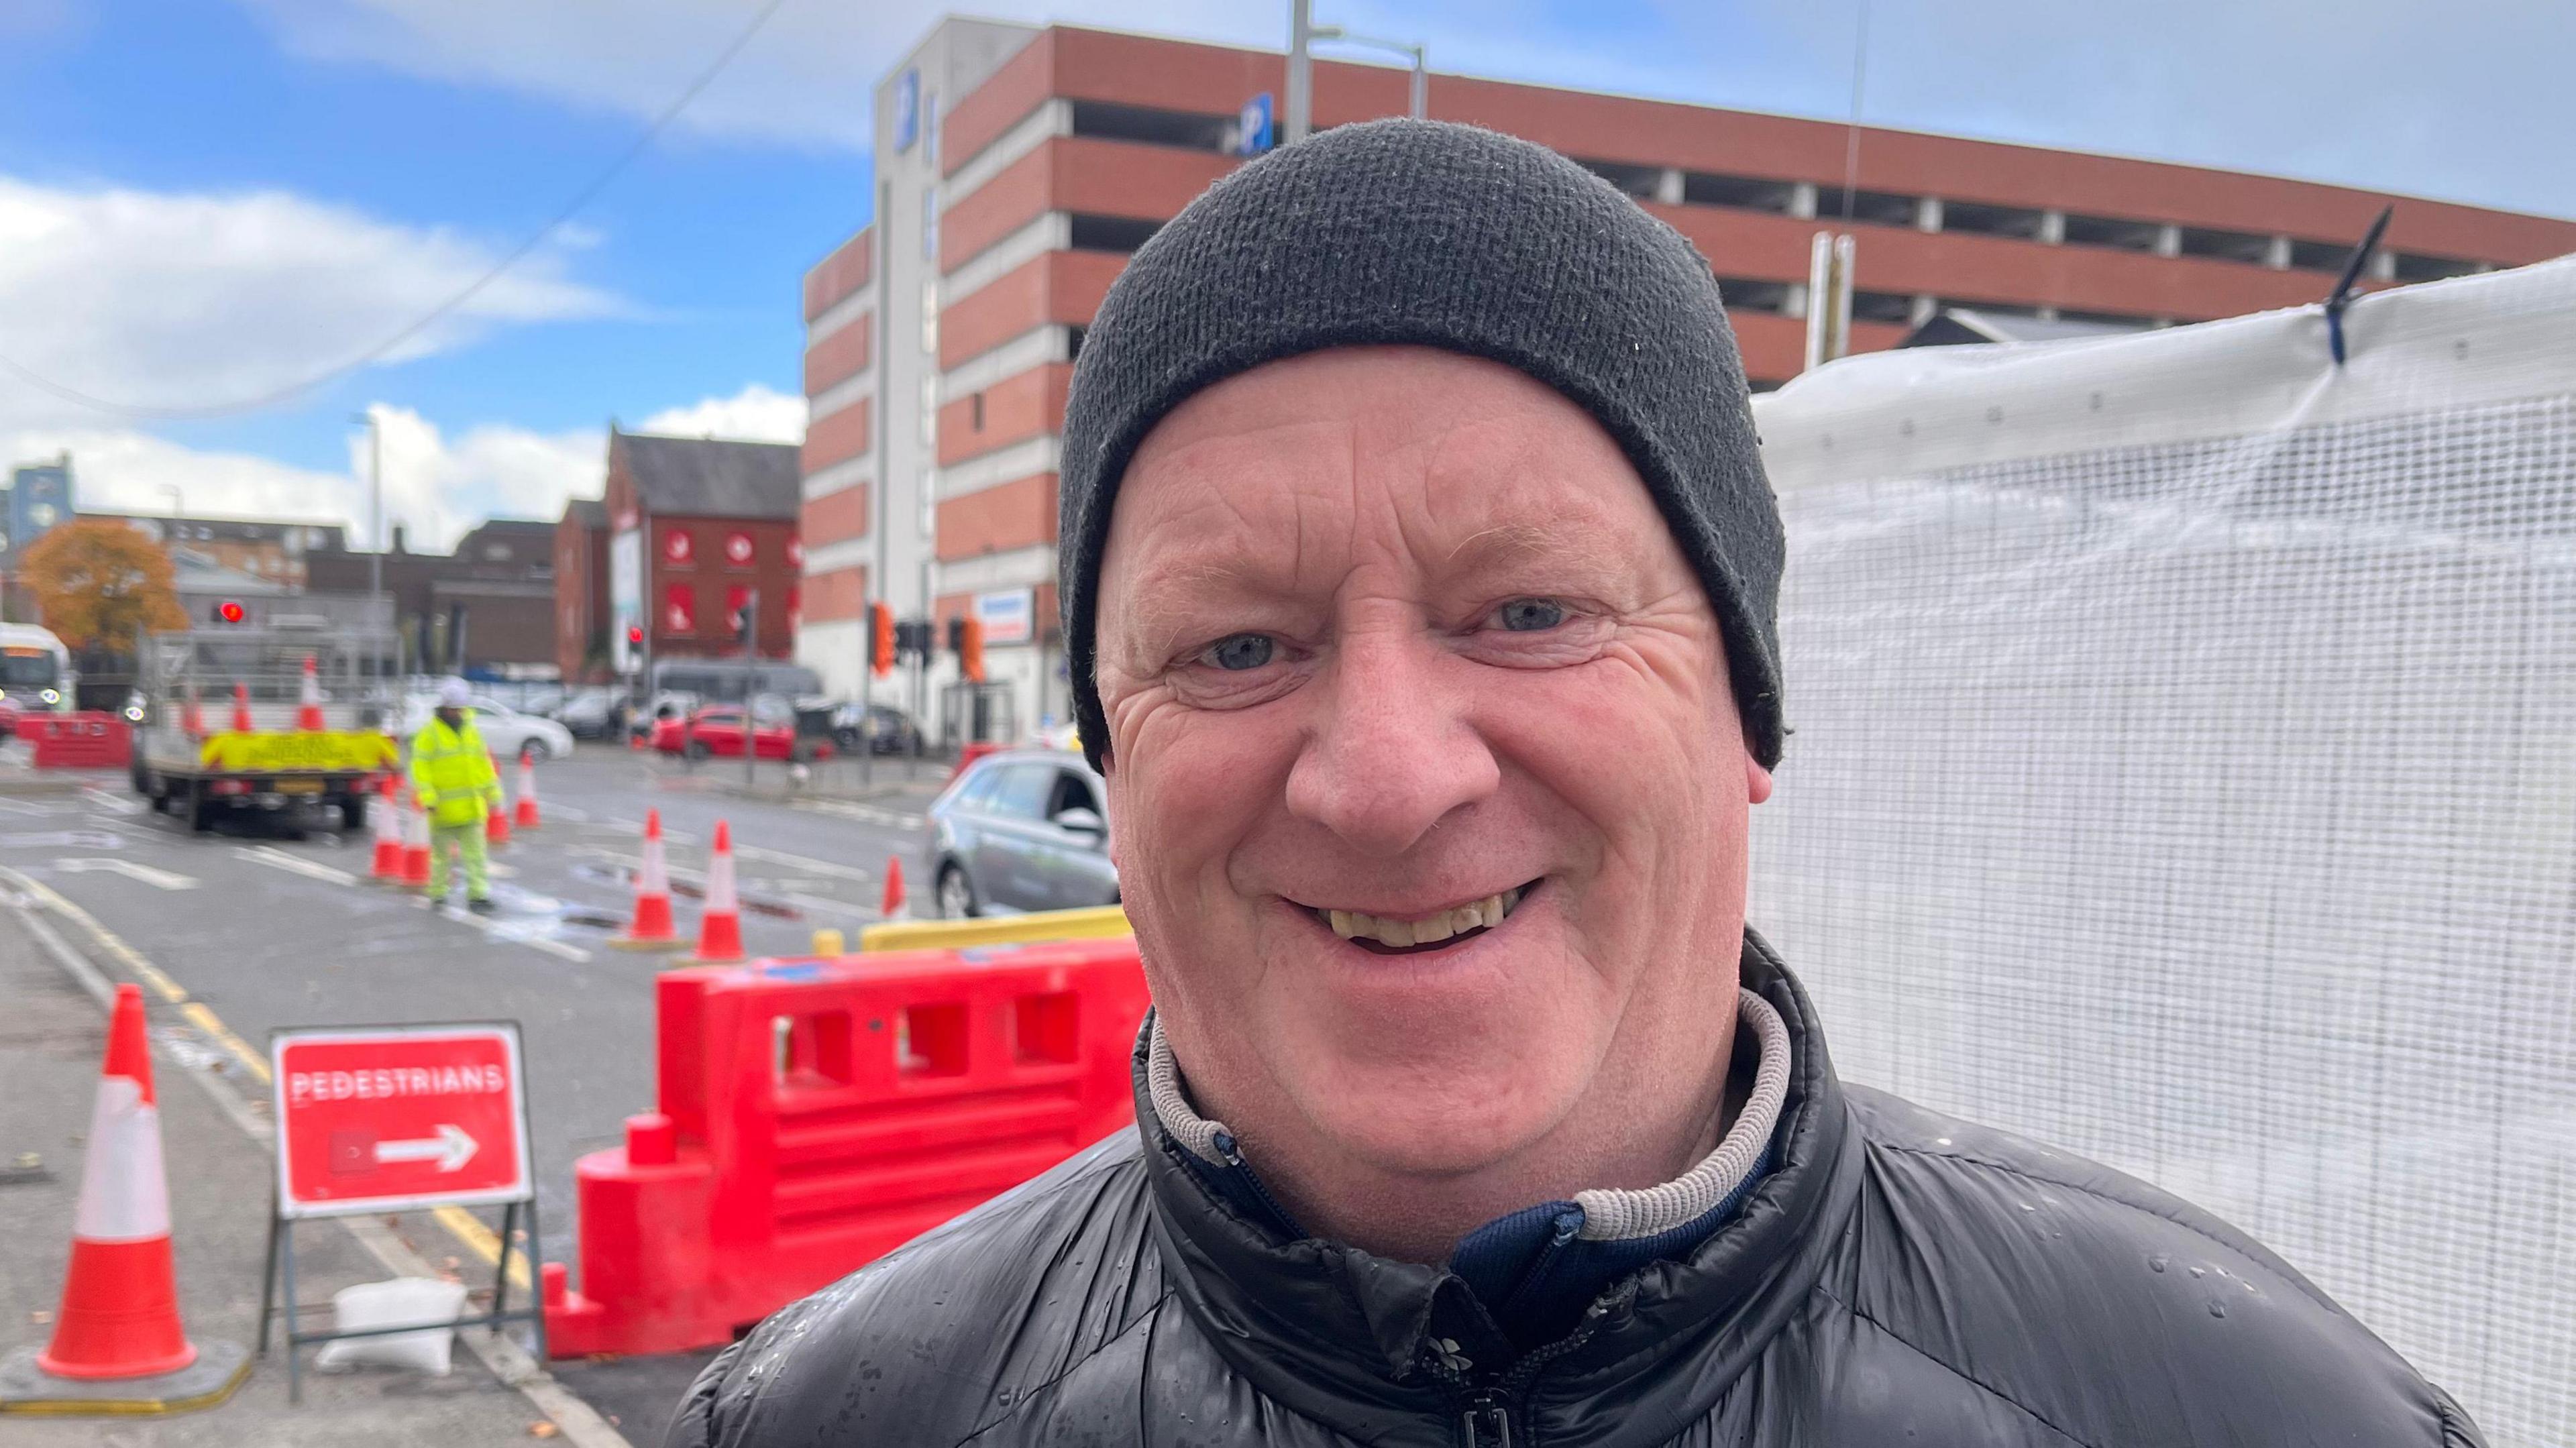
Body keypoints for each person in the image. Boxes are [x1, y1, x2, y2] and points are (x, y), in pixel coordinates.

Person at [673, 122, 2479, 1447]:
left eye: (1529, 610)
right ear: (1115, 756)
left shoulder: (2249, 1407)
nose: (1385, 777)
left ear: (1744, 711)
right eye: (1237, 644)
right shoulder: (823, 1419)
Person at [407, 677, 500, 915]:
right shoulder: (429, 735)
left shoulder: (471, 731)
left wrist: (493, 793)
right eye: (453, 708)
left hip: (470, 807)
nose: (457, 713)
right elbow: (421, 768)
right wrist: (428, 798)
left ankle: (478, 896)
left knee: (476, 857)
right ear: (444, 707)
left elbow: (483, 765)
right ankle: (438, 894)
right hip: (443, 809)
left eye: (460, 708)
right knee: (440, 858)